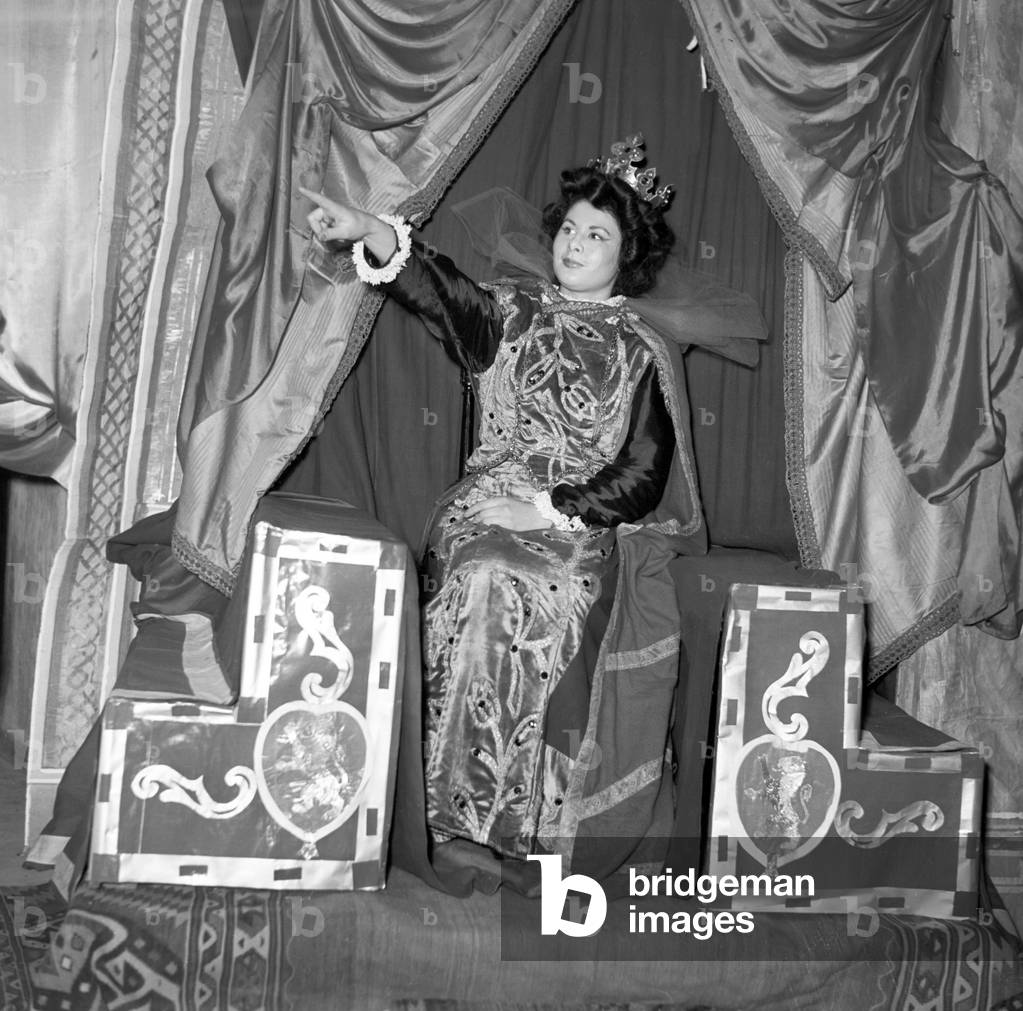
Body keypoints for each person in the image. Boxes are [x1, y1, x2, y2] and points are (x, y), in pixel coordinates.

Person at [300, 138, 723, 880]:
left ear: (626, 255)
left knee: (542, 588)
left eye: (597, 235)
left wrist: (552, 511)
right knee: (485, 569)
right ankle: (447, 811)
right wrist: (369, 230)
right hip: (488, 504)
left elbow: (643, 472)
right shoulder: (511, 314)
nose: (575, 244)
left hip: (577, 525)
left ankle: (531, 826)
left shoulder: (641, 352)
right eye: (570, 228)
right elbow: (439, 291)